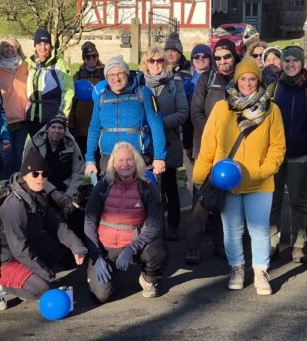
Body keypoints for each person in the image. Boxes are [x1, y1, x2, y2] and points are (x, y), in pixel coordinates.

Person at [193, 58, 286, 293]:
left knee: (259, 229)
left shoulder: (272, 110)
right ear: (236, 81)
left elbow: (278, 146)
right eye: (243, 79)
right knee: (232, 229)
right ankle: (237, 267)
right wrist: (200, 176)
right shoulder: (221, 108)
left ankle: (260, 271)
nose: (247, 83)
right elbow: (208, 145)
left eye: (252, 79)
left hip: (259, 181)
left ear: (258, 81)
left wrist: (263, 170)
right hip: (228, 181)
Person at [0, 149, 88, 308]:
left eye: (44, 174)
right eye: (35, 174)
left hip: (25, 249)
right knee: (43, 288)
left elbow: (57, 225)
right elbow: (19, 249)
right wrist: (44, 272)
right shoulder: (14, 205)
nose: (40, 178)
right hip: (4, 260)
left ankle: (29, 278)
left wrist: (77, 247)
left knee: (61, 250)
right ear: (24, 175)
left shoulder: (37, 196)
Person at [85, 142, 168, 302]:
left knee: (158, 251)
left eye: (129, 160)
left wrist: (131, 249)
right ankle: (100, 274)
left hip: (134, 243)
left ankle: (149, 279)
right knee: (101, 296)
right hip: (107, 246)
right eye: (120, 160)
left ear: (136, 162)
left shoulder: (148, 187)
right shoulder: (103, 185)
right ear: (113, 164)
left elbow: (155, 225)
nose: (125, 164)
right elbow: (89, 222)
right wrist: (97, 256)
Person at [269, 46, 307, 264]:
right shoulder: (274, 88)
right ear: (281, 63)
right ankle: (272, 242)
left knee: (297, 201)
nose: (291, 64)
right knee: (273, 200)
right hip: (276, 154)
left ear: (302, 63)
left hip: (301, 154)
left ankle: (298, 244)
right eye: (287, 60)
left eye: (295, 60)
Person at [186, 38, 238, 264]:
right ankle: (193, 247)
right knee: (201, 201)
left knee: (227, 202)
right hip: (205, 148)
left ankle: (221, 245)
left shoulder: (241, 79)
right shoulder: (206, 79)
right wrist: (213, 135)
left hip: (233, 150)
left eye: (226, 56)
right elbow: (196, 112)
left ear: (234, 56)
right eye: (218, 58)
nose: (222, 61)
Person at [85, 56, 167, 177]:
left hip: (137, 158)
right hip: (108, 159)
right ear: (106, 77)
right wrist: (90, 160)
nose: (116, 78)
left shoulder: (143, 92)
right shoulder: (101, 97)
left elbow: (156, 125)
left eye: (120, 73)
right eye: (111, 75)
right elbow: (94, 129)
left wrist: (159, 157)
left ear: (127, 74)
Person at [141, 47, 190, 240]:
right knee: (145, 185)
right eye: (152, 61)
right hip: (146, 142)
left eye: (160, 60)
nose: (156, 64)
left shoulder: (174, 83)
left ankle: (174, 224)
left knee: (170, 185)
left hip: (169, 140)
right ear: (146, 63)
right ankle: (147, 226)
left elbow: (183, 112)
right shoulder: (139, 84)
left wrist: (158, 124)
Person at [24, 114, 86, 233]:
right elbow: (29, 172)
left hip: (66, 190)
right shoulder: (34, 143)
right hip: (40, 188)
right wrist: (52, 191)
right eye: (53, 127)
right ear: (47, 129)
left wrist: (69, 195)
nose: (57, 131)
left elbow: (78, 172)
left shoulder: (72, 145)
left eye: (60, 128)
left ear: (65, 130)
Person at [0, 38, 30, 180]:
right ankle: (4, 185)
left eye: (13, 46)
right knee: (6, 156)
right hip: (3, 120)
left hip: (22, 118)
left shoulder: (25, 66)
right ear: (1, 48)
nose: (9, 49)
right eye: (6, 46)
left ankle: (16, 185)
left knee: (18, 155)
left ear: (18, 48)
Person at [25, 28, 74, 137]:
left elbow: (68, 91)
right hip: (32, 118)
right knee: (35, 147)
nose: (43, 47)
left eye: (46, 44)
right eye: (39, 44)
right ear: (35, 46)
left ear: (51, 46)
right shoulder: (29, 63)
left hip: (53, 118)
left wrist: (62, 116)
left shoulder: (60, 64)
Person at [69, 41, 104, 167]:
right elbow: (72, 101)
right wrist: (70, 124)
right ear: (84, 59)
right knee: (84, 159)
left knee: (100, 159)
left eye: (94, 56)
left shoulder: (105, 75)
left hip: (101, 124)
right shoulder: (77, 77)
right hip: (82, 125)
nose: (92, 59)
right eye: (88, 57)